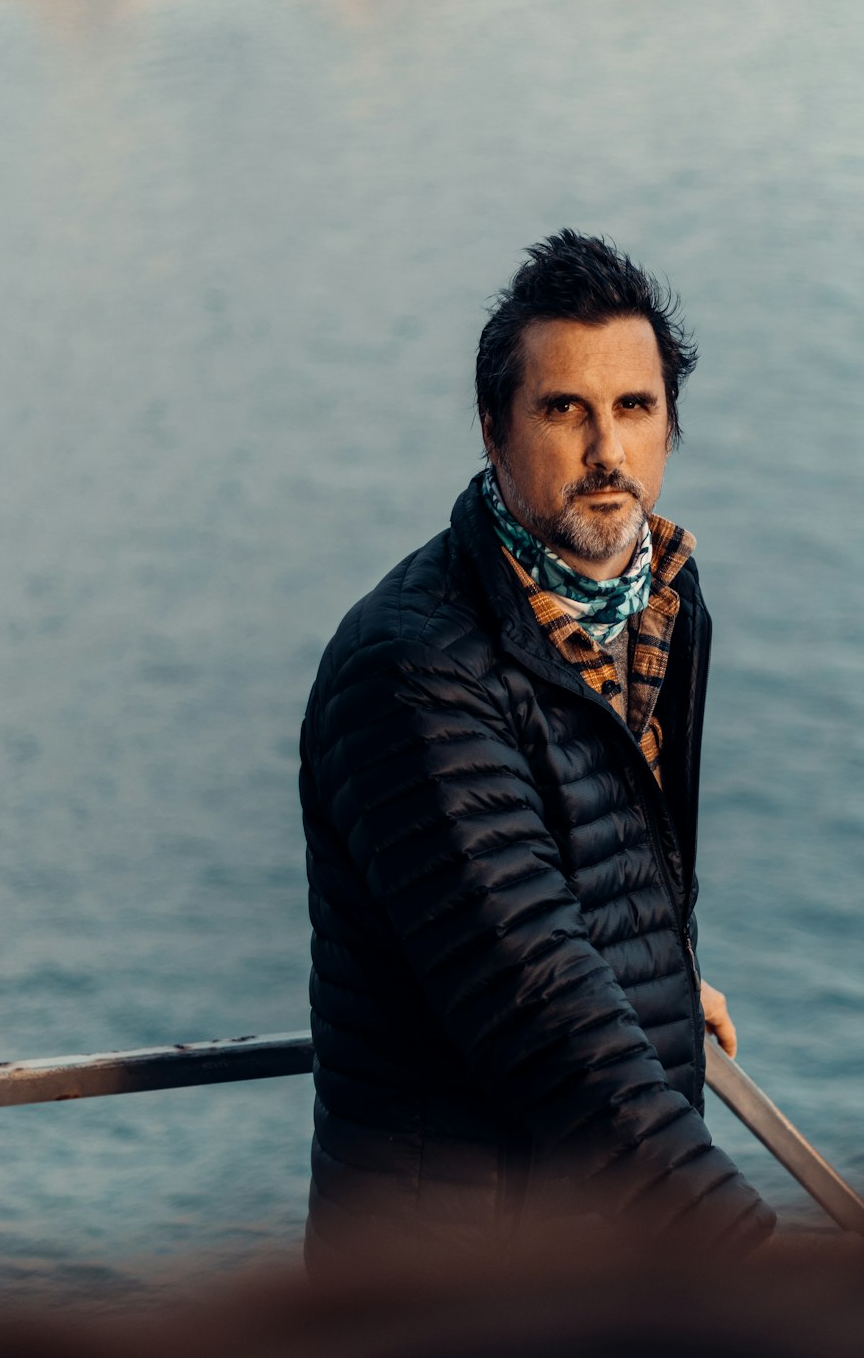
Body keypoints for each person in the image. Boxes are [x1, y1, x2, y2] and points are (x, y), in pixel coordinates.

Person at [299, 230, 774, 1263]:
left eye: (635, 409)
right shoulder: (414, 670)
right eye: (565, 410)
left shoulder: (660, 603)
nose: (608, 451)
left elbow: (596, 877)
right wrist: (750, 1258)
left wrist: (659, 975)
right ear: (492, 429)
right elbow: (540, 1007)